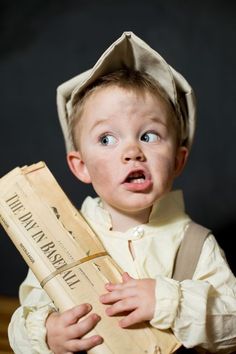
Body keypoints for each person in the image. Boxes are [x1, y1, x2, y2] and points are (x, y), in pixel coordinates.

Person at [8, 32, 236, 353]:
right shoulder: (61, 239)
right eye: (107, 139)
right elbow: (21, 321)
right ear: (81, 165)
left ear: (178, 160)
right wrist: (47, 334)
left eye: (149, 135)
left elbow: (232, 329)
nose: (132, 151)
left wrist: (168, 301)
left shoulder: (196, 246)